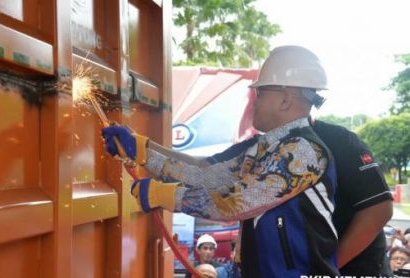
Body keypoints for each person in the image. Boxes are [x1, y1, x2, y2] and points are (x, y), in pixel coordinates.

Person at [102, 45, 339, 277]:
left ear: (285, 100)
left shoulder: (304, 152)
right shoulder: (262, 148)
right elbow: (204, 172)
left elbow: (237, 202)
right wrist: (142, 150)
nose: (254, 101)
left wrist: (161, 194)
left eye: (260, 92)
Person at [310, 119, 393, 276]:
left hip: (357, 268)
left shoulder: (338, 139)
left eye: (260, 93)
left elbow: (379, 210)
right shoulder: (264, 147)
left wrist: (327, 267)